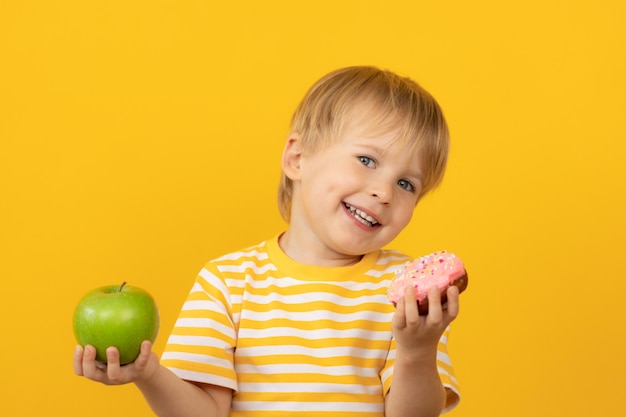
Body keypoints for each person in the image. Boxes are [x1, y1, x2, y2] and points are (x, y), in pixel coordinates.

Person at [74, 65, 463, 417]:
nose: (384, 192)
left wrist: (417, 350)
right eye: (366, 160)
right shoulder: (227, 282)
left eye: (406, 183)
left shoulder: (404, 292)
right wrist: (149, 374)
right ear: (298, 158)